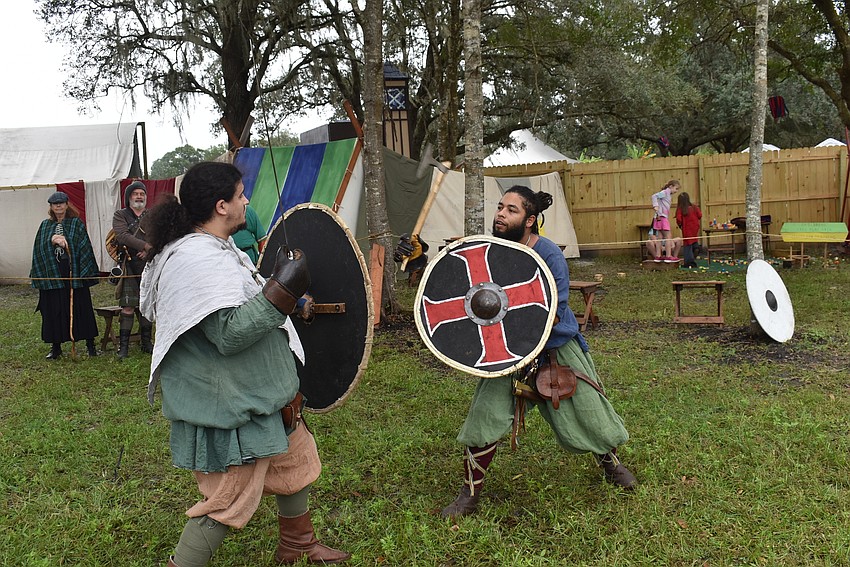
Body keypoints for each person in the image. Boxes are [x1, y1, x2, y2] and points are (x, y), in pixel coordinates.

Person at [140, 161, 347, 567]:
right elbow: (229, 333)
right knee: (228, 499)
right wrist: (282, 292)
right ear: (221, 206)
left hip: (261, 394)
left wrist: (283, 294)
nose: (246, 200)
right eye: (240, 195)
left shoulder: (217, 247)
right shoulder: (195, 258)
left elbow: (241, 300)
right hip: (231, 403)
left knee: (295, 462)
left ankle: (298, 544)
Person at [439, 186, 637, 520]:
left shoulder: (548, 254)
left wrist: (532, 345)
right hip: (507, 351)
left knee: (590, 412)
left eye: (511, 210)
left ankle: (611, 464)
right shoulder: (493, 252)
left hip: (555, 345)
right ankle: (469, 495)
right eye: (500, 207)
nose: (501, 214)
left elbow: (554, 309)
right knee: (485, 417)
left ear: (530, 220)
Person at [30, 191, 100, 359]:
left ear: (67, 204)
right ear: (51, 207)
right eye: (55, 204)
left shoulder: (76, 223)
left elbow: (84, 246)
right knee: (54, 308)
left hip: (73, 270)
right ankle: (56, 347)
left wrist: (67, 243)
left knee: (81, 306)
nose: (58, 206)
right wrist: (52, 240)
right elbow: (39, 249)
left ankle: (90, 345)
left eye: (61, 203)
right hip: (53, 272)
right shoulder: (45, 225)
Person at [112, 180, 154, 358]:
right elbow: (122, 236)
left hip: (149, 265)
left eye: (142, 194)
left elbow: (161, 235)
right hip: (128, 265)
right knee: (128, 307)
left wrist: (149, 250)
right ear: (129, 197)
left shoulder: (152, 215)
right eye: (135, 194)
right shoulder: (120, 215)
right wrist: (145, 246)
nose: (139, 196)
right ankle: (124, 348)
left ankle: (146, 343)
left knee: (146, 305)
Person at [650, 179, 682, 263]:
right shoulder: (666, 192)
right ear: (671, 186)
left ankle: (658, 256)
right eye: (676, 188)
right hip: (662, 217)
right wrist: (655, 205)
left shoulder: (666, 193)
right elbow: (654, 196)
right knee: (668, 237)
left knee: (659, 237)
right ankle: (668, 256)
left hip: (658, 218)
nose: (676, 191)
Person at [675, 192, 702, 268]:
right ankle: (696, 247)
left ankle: (689, 262)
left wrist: (680, 225)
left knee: (687, 244)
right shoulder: (694, 207)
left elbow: (679, 219)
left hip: (686, 228)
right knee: (694, 239)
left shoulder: (681, 209)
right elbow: (700, 215)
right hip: (695, 227)